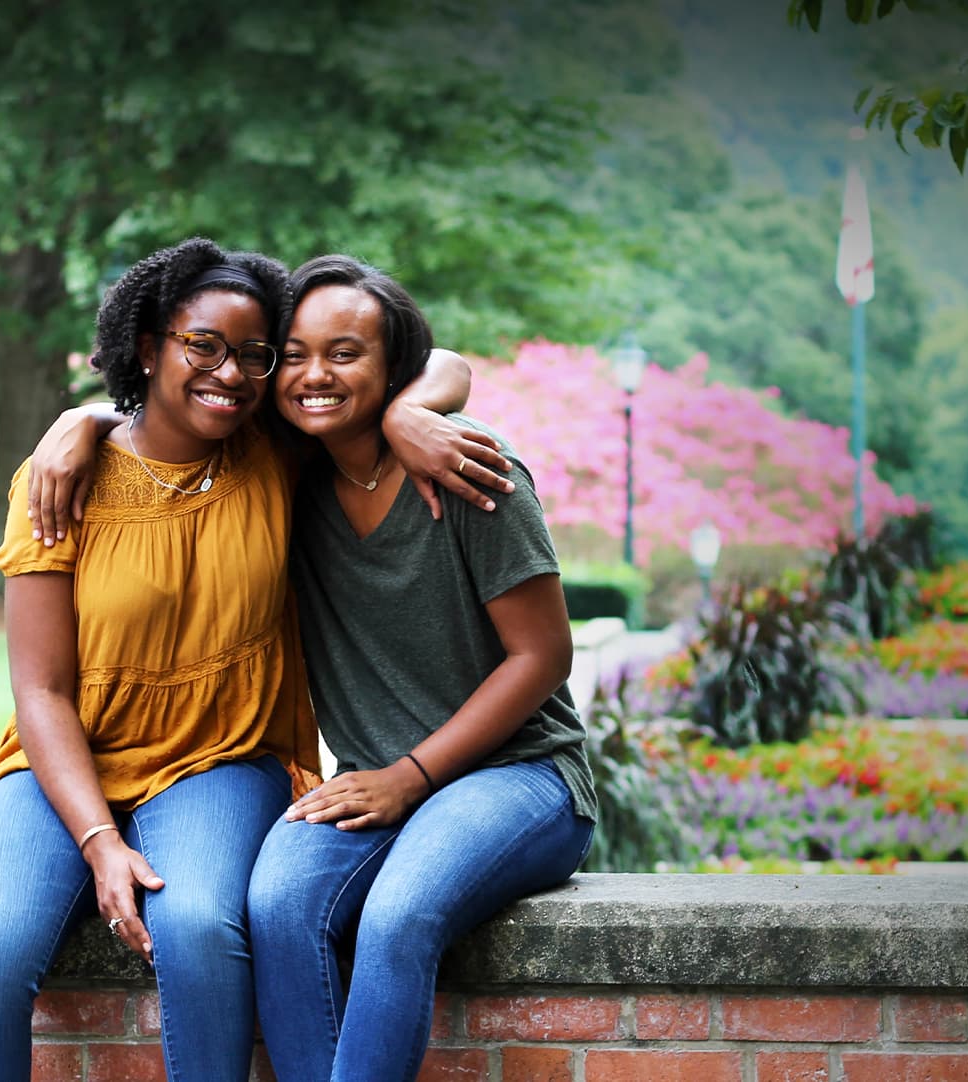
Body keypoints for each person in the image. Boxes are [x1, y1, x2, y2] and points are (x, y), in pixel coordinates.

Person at [0, 237, 500, 1082]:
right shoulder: (58, 480)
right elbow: (42, 690)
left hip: (222, 758)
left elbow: (438, 358)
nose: (230, 373)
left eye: (252, 355)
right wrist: (98, 841)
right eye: (203, 345)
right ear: (149, 344)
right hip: (64, 759)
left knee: (199, 929)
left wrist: (402, 415)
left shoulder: (276, 450)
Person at [245, 254, 595, 1082]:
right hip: (377, 786)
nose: (313, 375)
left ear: (392, 366)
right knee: (277, 905)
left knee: (399, 914)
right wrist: (72, 427)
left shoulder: (471, 466)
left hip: (521, 775)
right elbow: (162, 406)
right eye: (292, 354)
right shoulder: (287, 482)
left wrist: (412, 775)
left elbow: (543, 654)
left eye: (344, 352)